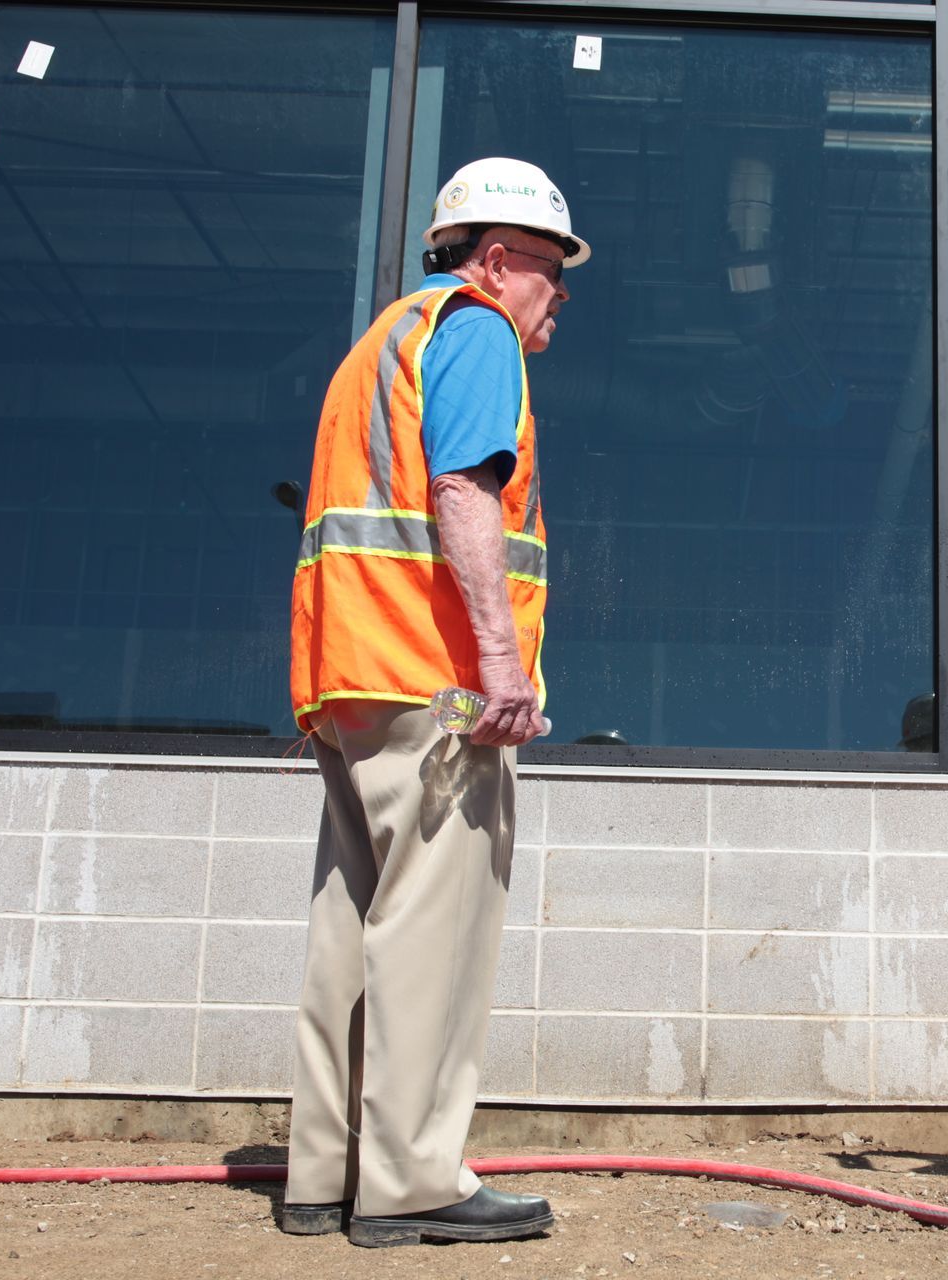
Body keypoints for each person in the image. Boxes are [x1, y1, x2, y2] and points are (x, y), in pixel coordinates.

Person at [282, 156, 585, 1249]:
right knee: (433, 930)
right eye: (553, 273)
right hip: (434, 681)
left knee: (350, 923)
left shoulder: (382, 343)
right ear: (499, 260)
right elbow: (464, 487)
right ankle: (410, 1177)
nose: (559, 298)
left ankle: (327, 1168)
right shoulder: (475, 327)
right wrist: (502, 664)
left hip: (353, 675)